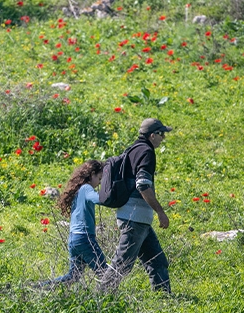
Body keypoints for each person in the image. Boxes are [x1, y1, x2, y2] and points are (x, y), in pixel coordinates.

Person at [107, 118, 173, 293]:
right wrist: (160, 211)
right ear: (152, 135)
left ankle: (163, 298)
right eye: (162, 134)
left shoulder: (134, 149)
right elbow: (143, 184)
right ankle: (100, 296)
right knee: (122, 264)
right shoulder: (146, 152)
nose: (163, 138)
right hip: (134, 218)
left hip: (136, 217)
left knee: (157, 260)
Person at [44, 160, 108, 285]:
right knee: (105, 273)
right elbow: (98, 199)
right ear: (92, 174)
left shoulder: (78, 190)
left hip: (74, 239)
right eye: (99, 178)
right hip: (84, 238)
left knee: (73, 276)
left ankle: (41, 287)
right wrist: (110, 192)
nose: (99, 183)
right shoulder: (86, 188)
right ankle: (108, 300)